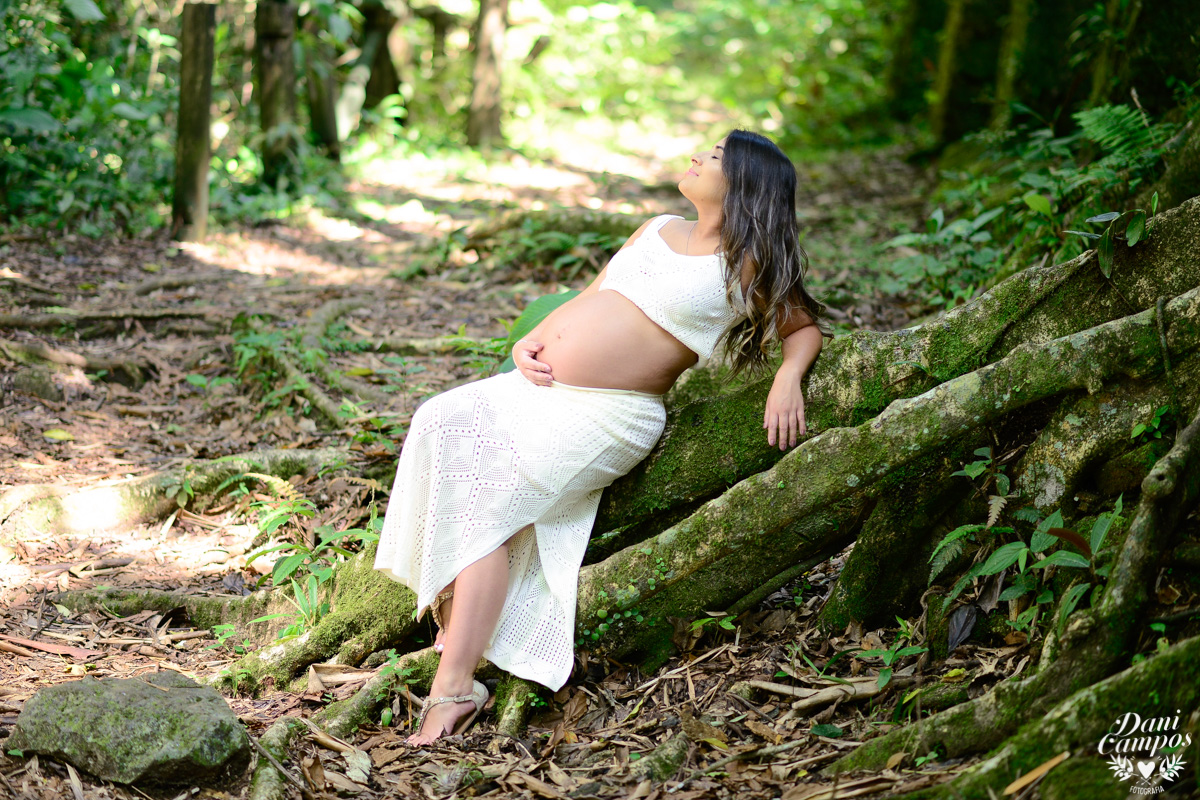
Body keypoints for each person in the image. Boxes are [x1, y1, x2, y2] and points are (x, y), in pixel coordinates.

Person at [374, 129, 833, 745]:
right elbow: (594, 295)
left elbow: (802, 328)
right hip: (537, 389)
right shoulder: (656, 227)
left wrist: (788, 376)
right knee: (437, 419)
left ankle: (454, 687)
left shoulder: (746, 263)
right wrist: (532, 340)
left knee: (491, 508)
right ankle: (456, 617)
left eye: (715, 156)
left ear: (746, 183)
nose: (697, 156)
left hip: (609, 414)